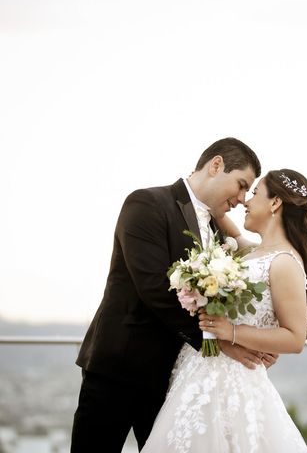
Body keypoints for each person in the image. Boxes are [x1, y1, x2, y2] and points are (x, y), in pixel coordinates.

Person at [71, 138, 272, 453]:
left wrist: (256, 339)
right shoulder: (147, 203)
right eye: (241, 185)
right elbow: (153, 287)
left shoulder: (220, 233)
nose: (242, 198)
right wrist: (221, 342)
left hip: (175, 377)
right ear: (216, 165)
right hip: (119, 368)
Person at [141, 168, 307, 452]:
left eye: (255, 192)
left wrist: (231, 331)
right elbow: (217, 213)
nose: (245, 201)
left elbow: (295, 338)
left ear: (275, 203)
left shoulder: (284, 262)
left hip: (235, 380)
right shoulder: (250, 251)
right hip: (197, 372)